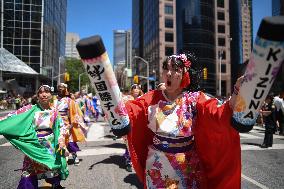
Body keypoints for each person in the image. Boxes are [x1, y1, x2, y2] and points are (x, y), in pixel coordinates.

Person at [110, 53, 244, 188]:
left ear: (185, 74)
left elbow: (218, 113)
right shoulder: (150, 98)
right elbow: (129, 111)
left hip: (187, 166)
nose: (169, 73)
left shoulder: (195, 99)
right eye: (165, 68)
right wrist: (113, 103)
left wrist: (238, 90)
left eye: (175, 69)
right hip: (158, 166)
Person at [0, 85, 69, 189]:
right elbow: (12, 117)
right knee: (28, 173)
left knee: (52, 168)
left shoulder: (55, 112)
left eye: (47, 92)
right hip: (34, 145)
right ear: (37, 96)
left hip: (49, 145)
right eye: (41, 92)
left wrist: (61, 140)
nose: (44, 94)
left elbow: (61, 127)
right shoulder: (29, 109)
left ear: (51, 95)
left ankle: (55, 184)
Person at [55, 83, 87, 166]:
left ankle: (75, 157)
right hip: (55, 123)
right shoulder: (54, 100)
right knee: (56, 141)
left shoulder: (69, 101)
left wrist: (71, 124)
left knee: (69, 141)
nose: (60, 89)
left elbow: (74, 113)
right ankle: (59, 159)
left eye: (62, 88)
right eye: (59, 88)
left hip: (66, 123)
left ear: (65, 90)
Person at [122, 84, 144, 172]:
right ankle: (128, 161)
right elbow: (121, 110)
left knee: (139, 144)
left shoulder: (143, 98)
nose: (135, 89)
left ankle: (138, 162)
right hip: (129, 124)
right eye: (134, 88)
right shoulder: (126, 99)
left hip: (140, 125)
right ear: (131, 90)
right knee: (129, 144)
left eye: (137, 88)